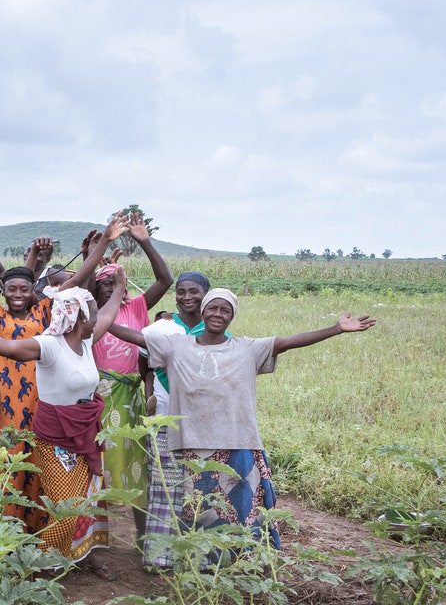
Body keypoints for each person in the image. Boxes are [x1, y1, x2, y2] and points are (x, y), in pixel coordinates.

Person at [108, 288, 376, 553]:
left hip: (238, 443)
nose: (218, 314)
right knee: (198, 512)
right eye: (213, 308)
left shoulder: (248, 348)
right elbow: (133, 336)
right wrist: (101, 316)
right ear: (203, 312)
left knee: (242, 510)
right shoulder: (176, 346)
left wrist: (335, 329)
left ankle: (243, 561)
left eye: (225, 310)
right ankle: (203, 565)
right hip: (192, 445)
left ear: (232, 317)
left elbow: (289, 341)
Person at [0, 191, 125, 534]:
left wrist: (103, 242)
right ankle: (12, 537)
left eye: (23, 289)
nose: (17, 295)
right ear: (3, 290)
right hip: (11, 410)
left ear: (33, 292)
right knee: (12, 472)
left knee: (46, 475)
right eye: (11, 289)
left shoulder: (45, 312)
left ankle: (46, 538)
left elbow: (76, 280)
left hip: (45, 407)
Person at [0, 269, 129, 579]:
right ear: (79, 316)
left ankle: (66, 558)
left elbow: (108, 314)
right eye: (92, 313)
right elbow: (9, 348)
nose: (97, 318)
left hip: (85, 433)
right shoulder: (48, 345)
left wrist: (120, 285)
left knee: (85, 501)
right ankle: (38, 567)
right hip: (56, 440)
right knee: (66, 509)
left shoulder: (85, 341)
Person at [89, 211, 175, 542]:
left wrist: (145, 242)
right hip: (97, 400)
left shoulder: (136, 307)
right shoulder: (89, 313)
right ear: (95, 289)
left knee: (136, 469)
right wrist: (95, 252)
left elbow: (165, 280)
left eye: (118, 283)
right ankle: (94, 541)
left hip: (130, 400)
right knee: (96, 468)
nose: (114, 288)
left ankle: (144, 538)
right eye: (106, 283)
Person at [137, 271, 210, 568]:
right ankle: (160, 556)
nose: (187, 297)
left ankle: (199, 557)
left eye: (194, 291)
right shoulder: (161, 328)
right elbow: (144, 364)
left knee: (202, 487)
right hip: (165, 415)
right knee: (164, 485)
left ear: (206, 295)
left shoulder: (216, 328)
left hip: (204, 421)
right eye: (181, 291)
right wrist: (151, 391)